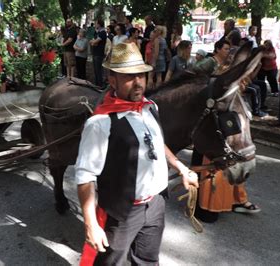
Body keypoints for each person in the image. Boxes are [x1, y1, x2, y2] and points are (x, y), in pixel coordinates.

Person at [76, 42, 198, 265]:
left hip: (156, 204)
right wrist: (91, 224)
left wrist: (181, 167)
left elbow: (157, 143)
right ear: (112, 80)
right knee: (111, 261)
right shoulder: (101, 123)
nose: (138, 82)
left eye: (141, 75)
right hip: (123, 211)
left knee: (147, 260)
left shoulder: (150, 107)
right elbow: (85, 177)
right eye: (129, 77)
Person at [90, 19, 107, 87]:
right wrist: (93, 42)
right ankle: (97, 84)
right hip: (95, 52)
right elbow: (92, 41)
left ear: (99, 24)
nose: (95, 25)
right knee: (95, 69)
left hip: (99, 53)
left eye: (96, 23)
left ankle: (100, 85)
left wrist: (94, 42)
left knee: (98, 70)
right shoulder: (96, 32)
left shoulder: (102, 32)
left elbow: (95, 42)